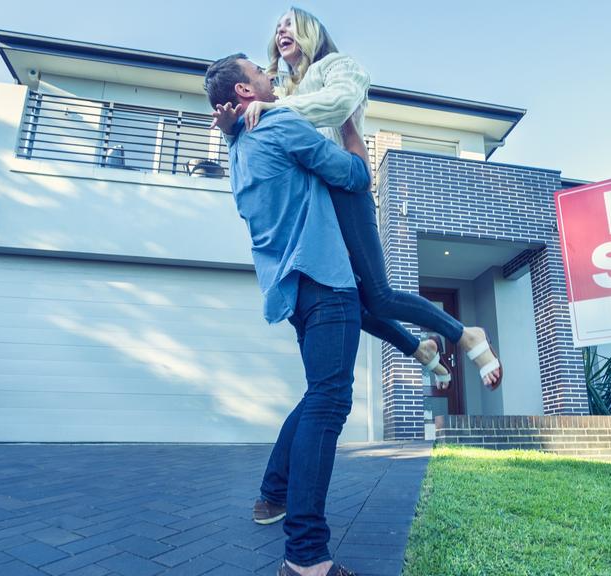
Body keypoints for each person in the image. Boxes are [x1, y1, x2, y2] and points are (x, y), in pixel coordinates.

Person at [212, 7, 503, 392]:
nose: (281, 31)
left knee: (378, 297)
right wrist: (234, 127)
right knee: (354, 304)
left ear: (310, 32)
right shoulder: (281, 92)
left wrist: (273, 108)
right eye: (277, 27)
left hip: (348, 188)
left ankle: (465, 334)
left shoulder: (338, 66)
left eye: (289, 24)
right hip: (319, 204)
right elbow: (262, 134)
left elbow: (339, 103)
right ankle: (422, 350)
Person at [204, 53, 367, 576]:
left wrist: (232, 128)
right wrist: (349, 125)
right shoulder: (276, 123)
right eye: (260, 73)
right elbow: (353, 175)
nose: (271, 74)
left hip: (294, 293)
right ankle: (305, 557)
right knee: (329, 404)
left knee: (319, 392)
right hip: (325, 279)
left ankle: (273, 494)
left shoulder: (237, 148)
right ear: (246, 93)